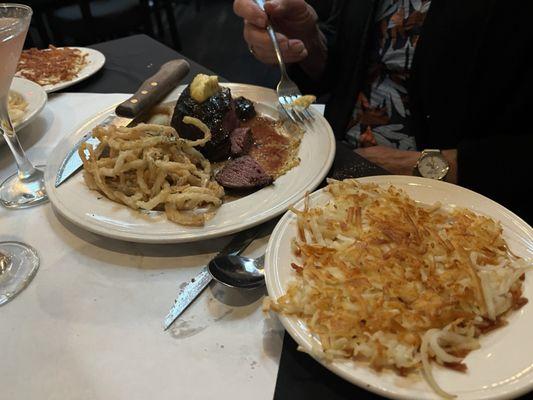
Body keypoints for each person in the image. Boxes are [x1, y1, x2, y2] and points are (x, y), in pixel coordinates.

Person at [233, 0, 533, 223]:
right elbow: (345, 65)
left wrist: (422, 166)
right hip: (328, 165)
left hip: (454, 206)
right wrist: (306, 41)